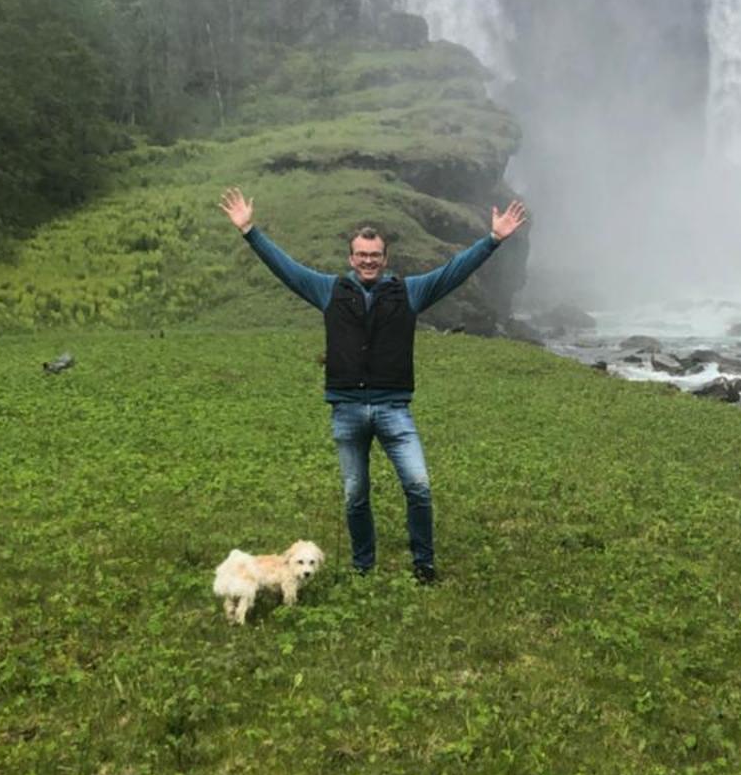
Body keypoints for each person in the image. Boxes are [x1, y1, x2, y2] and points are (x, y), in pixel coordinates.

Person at [219, 187, 528, 582]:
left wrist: (493, 240)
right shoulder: (329, 290)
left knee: (418, 485)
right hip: (346, 409)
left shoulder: (408, 292)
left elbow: (454, 271)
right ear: (352, 258)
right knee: (355, 494)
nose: (368, 261)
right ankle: (364, 566)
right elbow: (287, 269)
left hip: (393, 408)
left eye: (375, 255)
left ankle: (424, 563)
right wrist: (250, 232)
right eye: (362, 255)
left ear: (385, 259)